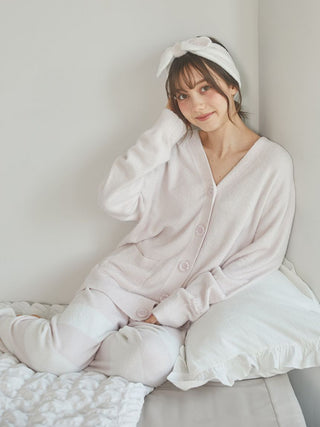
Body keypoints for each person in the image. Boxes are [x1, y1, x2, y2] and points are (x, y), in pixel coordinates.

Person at [0, 36, 295, 388]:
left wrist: (178, 309)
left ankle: (72, 341)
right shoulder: (175, 148)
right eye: (183, 96)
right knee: (53, 359)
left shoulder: (272, 165)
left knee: (148, 366)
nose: (196, 104)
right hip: (123, 284)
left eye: (205, 88)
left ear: (232, 86)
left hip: (176, 312)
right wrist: (164, 131)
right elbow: (115, 201)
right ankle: (16, 325)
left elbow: (263, 257)